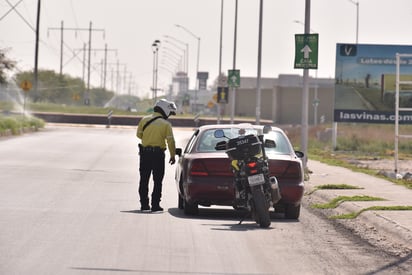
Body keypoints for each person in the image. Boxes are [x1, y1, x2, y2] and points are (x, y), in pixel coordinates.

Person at [136, 99, 177, 212]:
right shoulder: (166, 124)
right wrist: (173, 155)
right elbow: (171, 142)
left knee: (144, 179)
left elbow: (139, 135)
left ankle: (144, 205)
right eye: (169, 112)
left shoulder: (144, 120)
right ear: (164, 110)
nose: (169, 115)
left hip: (144, 154)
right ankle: (155, 205)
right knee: (157, 181)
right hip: (158, 155)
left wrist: (149, 139)